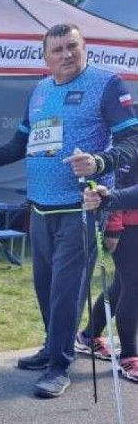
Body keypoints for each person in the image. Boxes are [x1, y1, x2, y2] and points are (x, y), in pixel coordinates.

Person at [0, 24, 138, 399]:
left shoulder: (107, 84)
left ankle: (60, 365)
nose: (66, 55)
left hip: (80, 207)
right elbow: (22, 142)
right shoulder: (41, 90)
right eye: (57, 49)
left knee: (67, 290)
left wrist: (99, 162)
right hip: (40, 207)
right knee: (45, 287)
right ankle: (51, 348)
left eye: (72, 47)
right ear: (45, 56)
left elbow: (132, 139)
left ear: (85, 47)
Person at [80, 159, 138, 383]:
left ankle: (87, 336)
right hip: (128, 226)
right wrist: (113, 227)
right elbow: (118, 184)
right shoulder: (132, 142)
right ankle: (130, 356)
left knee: (120, 286)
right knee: (133, 288)